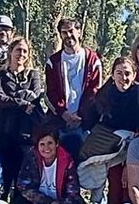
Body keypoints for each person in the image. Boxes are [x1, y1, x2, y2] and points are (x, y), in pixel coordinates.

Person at [84, 56, 139, 204]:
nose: (124, 78)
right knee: (114, 184)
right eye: (119, 73)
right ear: (112, 74)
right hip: (109, 149)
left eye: (128, 73)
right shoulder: (102, 95)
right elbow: (90, 121)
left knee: (131, 185)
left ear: (134, 74)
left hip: (135, 148)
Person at [0, 37, 46, 204]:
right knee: (4, 176)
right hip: (5, 134)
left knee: (23, 179)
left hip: (27, 135)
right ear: (10, 52)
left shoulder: (33, 75)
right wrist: (22, 103)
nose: (21, 54)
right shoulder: (0, 75)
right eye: (18, 50)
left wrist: (13, 99)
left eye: (24, 51)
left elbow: (35, 96)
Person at [13, 128, 87, 204]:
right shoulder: (31, 158)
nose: (46, 148)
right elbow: (23, 186)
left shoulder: (67, 160)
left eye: (50, 143)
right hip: (40, 203)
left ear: (57, 143)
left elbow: (72, 192)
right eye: (42, 144)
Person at [44, 17, 104, 157]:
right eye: (64, 32)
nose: (68, 35)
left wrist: (80, 115)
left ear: (79, 32)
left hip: (85, 124)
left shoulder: (93, 60)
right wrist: (63, 113)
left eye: (71, 31)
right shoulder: (53, 62)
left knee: (84, 165)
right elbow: (50, 93)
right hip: (59, 124)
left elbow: (95, 91)